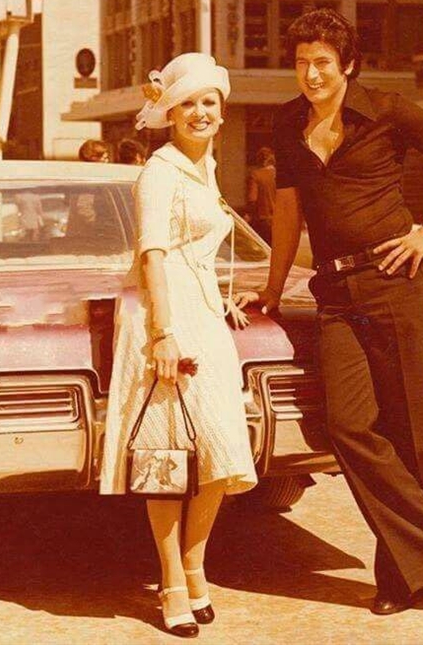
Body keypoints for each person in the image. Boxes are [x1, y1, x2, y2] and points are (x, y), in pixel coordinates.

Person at [235, 8, 423, 616]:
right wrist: (273, 287)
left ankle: (411, 579)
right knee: (348, 427)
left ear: (347, 64)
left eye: (322, 62)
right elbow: (288, 211)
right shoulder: (288, 122)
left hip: (394, 281)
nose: (311, 74)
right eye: (301, 62)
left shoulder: (387, 110)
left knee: (410, 433)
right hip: (335, 293)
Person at [100, 52, 257, 637]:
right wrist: (163, 334)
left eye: (208, 102)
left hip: (206, 317)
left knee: (219, 447)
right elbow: (153, 256)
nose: (199, 112)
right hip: (164, 322)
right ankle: (171, 580)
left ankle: (195, 565)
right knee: (168, 456)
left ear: (222, 111)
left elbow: (199, 250)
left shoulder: (206, 168)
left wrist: (221, 298)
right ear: (169, 113)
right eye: (186, 103)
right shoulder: (160, 171)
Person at [246, 146, 277, 244]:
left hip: (263, 220)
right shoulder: (280, 175)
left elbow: (252, 198)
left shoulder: (256, 175)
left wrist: (248, 215)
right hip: (280, 220)